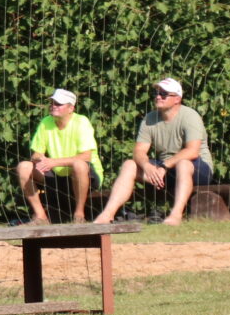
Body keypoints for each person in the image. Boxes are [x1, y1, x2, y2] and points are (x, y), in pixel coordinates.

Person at [93, 77, 213, 226]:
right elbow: (139, 151)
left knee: (183, 163)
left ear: (177, 99)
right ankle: (107, 215)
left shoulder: (190, 116)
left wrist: (163, 166)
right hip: (166, 169)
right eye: (156, 93)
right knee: (129, 165)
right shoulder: (149, 118)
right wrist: (147, 166)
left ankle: (175, 215)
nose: (158, 97)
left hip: (198, 168)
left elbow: (192, 151)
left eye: (163, 94)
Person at [17, 88, 104, 224]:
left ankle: (79, 214)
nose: (53, 106)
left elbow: (86, 157)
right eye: (52, 103)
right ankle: (41, 217)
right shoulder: (46, 122)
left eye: (58, 104)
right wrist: (40, 159)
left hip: (86, 175)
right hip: (57, 175)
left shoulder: (82, 122)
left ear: (71, 108)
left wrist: (54, 162)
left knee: (79, 165)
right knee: (24, 167)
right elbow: (36, 154)